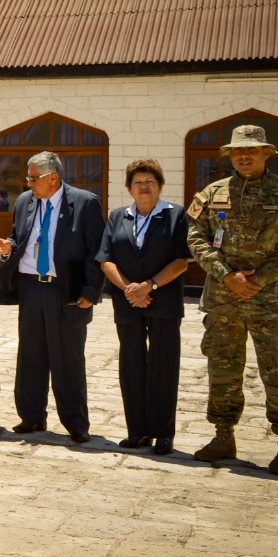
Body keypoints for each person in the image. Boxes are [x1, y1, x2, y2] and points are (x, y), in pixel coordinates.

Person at [186, 125, 278, 474]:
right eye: (238, 152)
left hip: (270, 302)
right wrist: (226, 274)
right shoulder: (212, 193)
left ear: (266, 153)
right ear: (230, 156)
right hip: (224, 298)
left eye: (252, 151)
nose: (244, 156)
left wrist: (260, 278)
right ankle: (223, 435)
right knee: (223, 369)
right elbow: (196, 237)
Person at [0, 151, 106, 442]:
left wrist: (91, 292)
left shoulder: (84, 203)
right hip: (31, 288)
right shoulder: (24, 202)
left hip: (65, 290)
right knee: (30, 357)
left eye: (32, 178)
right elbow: (20, 237)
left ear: (52, 178)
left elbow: (97, 252)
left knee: (68, 359)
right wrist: (8, 248)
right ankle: (31, 417)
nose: (28, 183)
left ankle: (76, 422)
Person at [96, 158, 191, 455]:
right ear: (129, 188)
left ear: (160, 185)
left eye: (150, 181)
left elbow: (181, 260)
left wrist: (149, 285)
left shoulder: (175, 215)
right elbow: (106, 258)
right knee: (131, 366)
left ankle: (163, 433)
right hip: (127, 302)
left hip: (162, 300)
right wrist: (128, 289)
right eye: (138, 182)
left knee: (163, 366)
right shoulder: (117, 216)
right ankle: (137, 431)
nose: (144, 187)